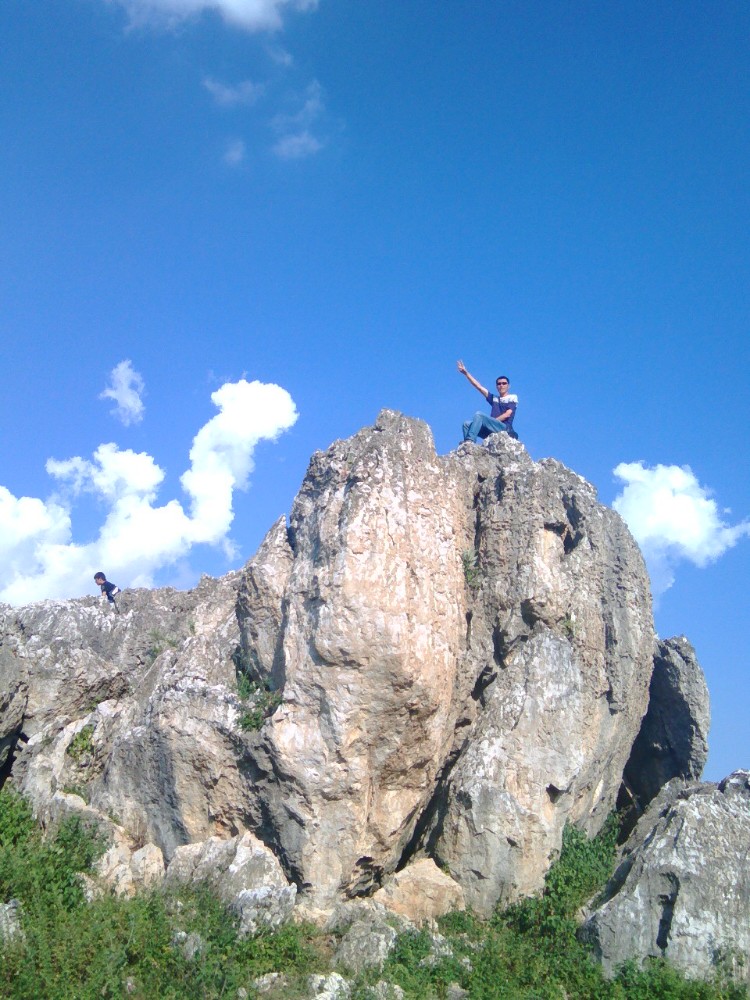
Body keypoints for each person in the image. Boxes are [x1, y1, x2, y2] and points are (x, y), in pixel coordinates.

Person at [457, 360, 518, 443]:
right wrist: (466, 373)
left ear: (508, 386)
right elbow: (479, 387)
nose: (501, 385)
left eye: (504, 383)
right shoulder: (494, 398)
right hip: (491, 429)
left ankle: (470, 440)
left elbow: (507, 414)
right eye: (499, 384)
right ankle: (469, 446)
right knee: (466, 424)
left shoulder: (512, 397)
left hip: (504, 429)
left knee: (479, 415)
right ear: (496, 386)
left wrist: (490, 421)